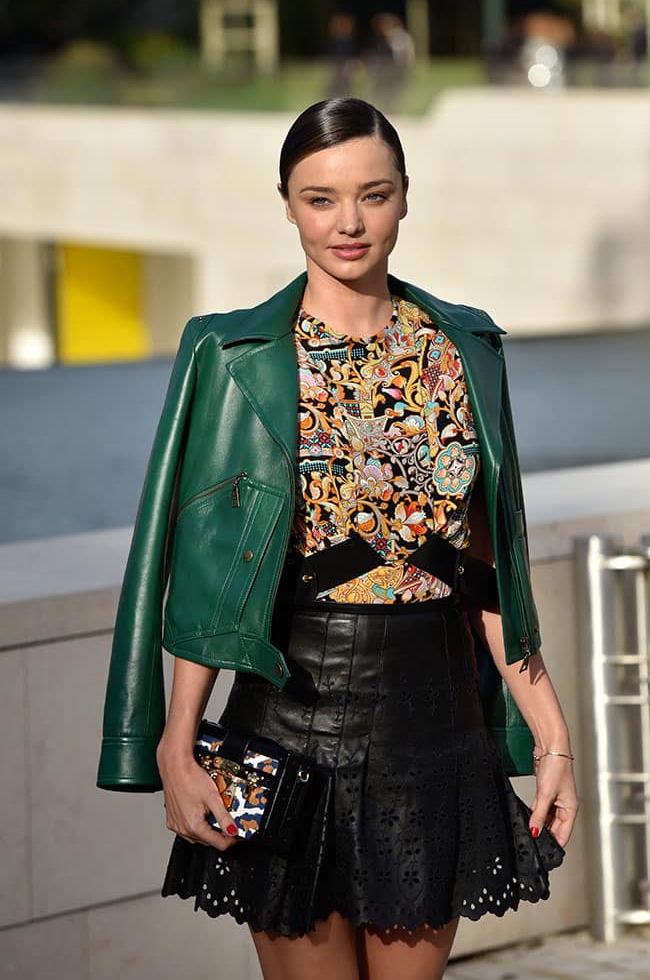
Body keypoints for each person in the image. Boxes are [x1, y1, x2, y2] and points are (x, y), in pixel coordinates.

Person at [97, 97, 579, 980]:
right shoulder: (232, 353)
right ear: (285, 201)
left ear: (405, 198)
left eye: (373, 194)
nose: (348, 222)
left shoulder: (465, 347)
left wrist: (552, 740)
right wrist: (176, 740)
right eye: (320, 198)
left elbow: (486, 572)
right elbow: (209, 570)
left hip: (438, 735)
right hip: (285, 725)